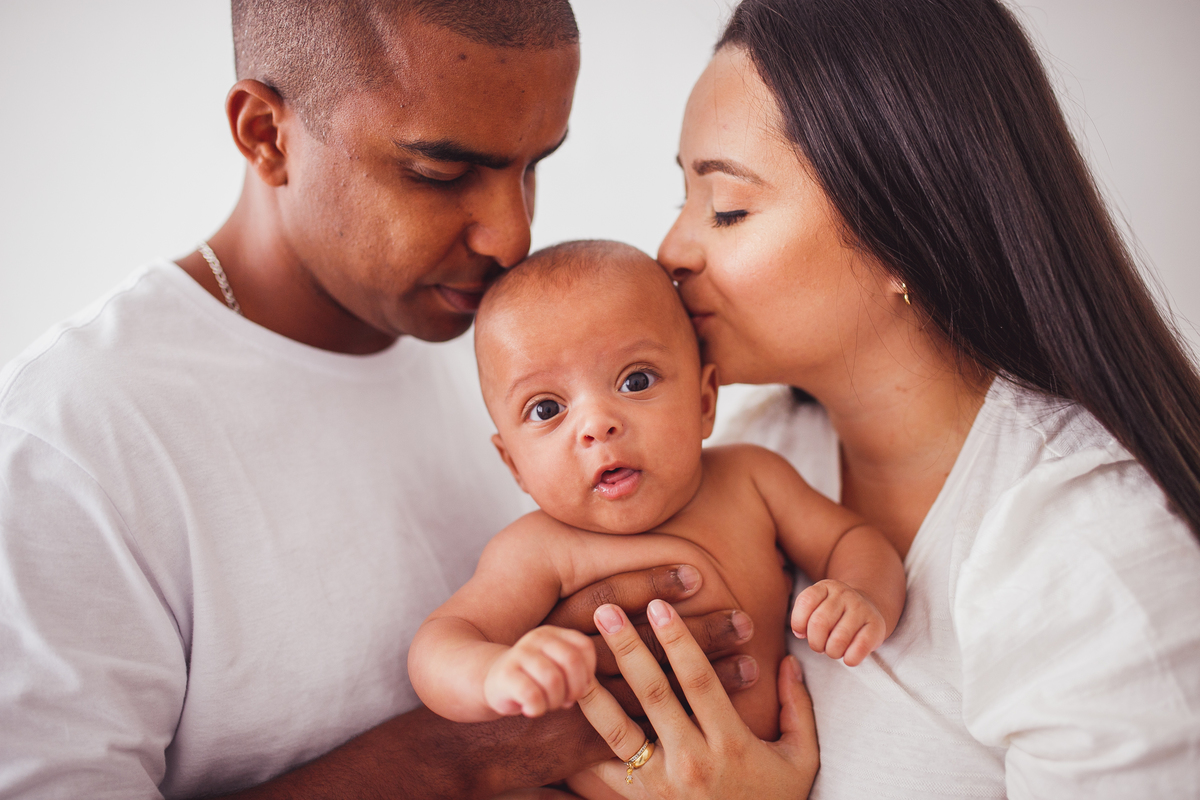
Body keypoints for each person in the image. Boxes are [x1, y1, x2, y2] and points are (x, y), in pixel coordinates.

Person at [0, 3, 812, 798]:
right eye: (440, 173)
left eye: (533, 168)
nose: (510, 237)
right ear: (265, 133)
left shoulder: (531, 352)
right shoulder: (70, 442)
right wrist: (467, 757)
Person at [571, 0, 1200, 797]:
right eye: (683, 201)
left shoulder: (1095, 558)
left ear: (907, 230)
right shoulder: (759, 449)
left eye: (726, 208)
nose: (671, 249)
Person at [406, 242, 905, 796]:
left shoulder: (752, 479)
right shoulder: (537, 550)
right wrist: (493, 675)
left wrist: (862, 597)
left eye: (635, 381)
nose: (597, 424)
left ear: (704, 400)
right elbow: (442, 641)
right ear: (514, 464)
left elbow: (850, 539)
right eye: (546, 409)